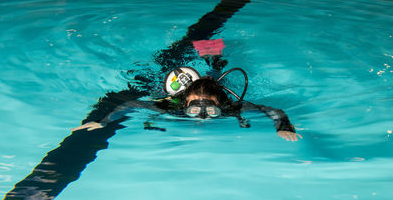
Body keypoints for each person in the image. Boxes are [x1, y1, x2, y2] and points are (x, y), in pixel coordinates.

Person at [72, 65, 302, 141]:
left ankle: (215, 60)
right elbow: (130, 105)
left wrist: (283, 125)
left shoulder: (231, 107)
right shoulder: (171, 105)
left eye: (211, 110)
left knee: (216, 68)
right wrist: (102, 122)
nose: (202, 116)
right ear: (184, 103)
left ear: (220, 104)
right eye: (194, 109)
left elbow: (272, 110)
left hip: (214, 87)